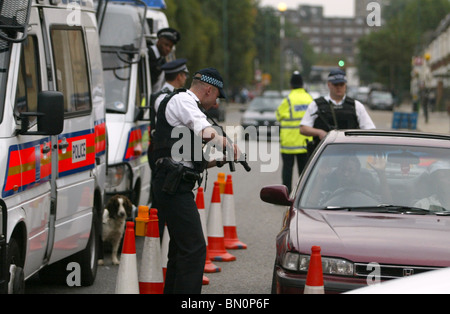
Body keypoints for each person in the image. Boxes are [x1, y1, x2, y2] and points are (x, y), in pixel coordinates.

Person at [150, 68, 241, 294]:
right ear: (208, 90)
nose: (216, 104)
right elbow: (205, 130)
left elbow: (192, 160)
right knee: (195, 248)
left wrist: (220, 161)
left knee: (181, 249)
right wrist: (226, 143)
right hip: (172, 187)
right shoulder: (183, 101)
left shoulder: (187, 113)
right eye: (217, 97)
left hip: (175, 184)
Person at [300, 69, 375, 153]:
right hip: (324, 155)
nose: (339, 87)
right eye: (335, 85)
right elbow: (303, 128)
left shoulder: (356, 106)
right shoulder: (316, 105)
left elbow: (369, 130)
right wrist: (319, 132)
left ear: (345, 85)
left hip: (349, 154)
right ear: (329, 85)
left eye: (341, 84)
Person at [276, 71, 313, 192]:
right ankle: (303, 196)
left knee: (287, 170)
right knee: (304, 172)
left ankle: (286, 195)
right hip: (305, 143)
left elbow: (278, 115)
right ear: (302, 85)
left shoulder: (288, 100)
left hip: (289, 143)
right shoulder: (309, 99)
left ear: (291, 85)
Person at [149, 27, 180, 92]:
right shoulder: (148, 54)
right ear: (159, 41)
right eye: (166, 45)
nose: (168, 49)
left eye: (170, 47)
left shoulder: (162, 61)